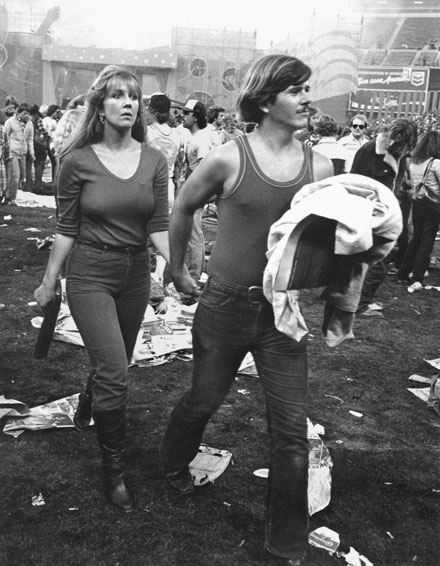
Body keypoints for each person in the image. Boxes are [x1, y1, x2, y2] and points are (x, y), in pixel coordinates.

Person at [160, 54, 333, 566]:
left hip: (283, 314)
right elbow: (183, 206)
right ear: (264, 100)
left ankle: (286, 543)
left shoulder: (319, 166)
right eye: (297, 90)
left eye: (308, 88)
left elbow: (320, 240)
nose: (308, 99)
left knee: (291, 431)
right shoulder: (228, 159)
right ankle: (172, 466)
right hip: (226, 304)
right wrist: (178, 270)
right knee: (203, 400)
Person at [34, 65, 172, 512]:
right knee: (116, 370)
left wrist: (175, 266)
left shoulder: (154, 160)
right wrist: (49, 280)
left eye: (134, 96)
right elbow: (66, 227)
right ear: (100, 105)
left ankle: (90, 397)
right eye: (117, 95)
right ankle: (114, 470)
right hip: (91, 273)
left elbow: (159, 224)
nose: (128, 103)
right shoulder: (76, 162)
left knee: (117, 361)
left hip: (134, 276)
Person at [351, 118, 418, 316]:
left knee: (368, 260)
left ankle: (353, 299)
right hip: (370, 212)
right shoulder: (370, 150)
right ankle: (359, 304)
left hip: (385, 212)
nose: (399, 147)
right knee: (378, 261)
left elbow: (393, 182)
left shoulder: (399, 155)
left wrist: (404, 186)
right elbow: (355, 181)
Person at [397, 131, 440, 292]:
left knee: (416, 238)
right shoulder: (435, 163)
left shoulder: (413, 163)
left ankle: (403, 272)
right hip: (434, 206)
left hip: (418, 203)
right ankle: (417, 277)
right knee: (427, 241)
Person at [181, 98, 218, 280]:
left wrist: (202, 194)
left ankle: (195, 275)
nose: (182, 116)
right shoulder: (195, 136)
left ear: (195, 117)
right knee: (191, 232)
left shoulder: (202, 138)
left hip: (197, 190)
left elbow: (206, 169)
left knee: (194, 233)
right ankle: (194, 270)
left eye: (185, 113)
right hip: (191, 189)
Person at [4, 102, 34, 205]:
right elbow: (5, 136)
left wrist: (32, 152)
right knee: (15, 175)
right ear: (19, 112)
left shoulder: (30, 123)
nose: (27, 116)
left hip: (23, 152)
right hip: (12, 151)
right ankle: (11, 199)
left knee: (22, 176)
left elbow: (30, 139)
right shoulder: (10, 122)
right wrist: (6, 152)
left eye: (28, 113)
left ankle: (8, 195)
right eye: (25, 113)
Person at [29, 104, 51, 194]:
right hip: (39, 145)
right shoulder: (39, 120)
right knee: (39, 166)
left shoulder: (29, 120)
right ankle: (38, 185)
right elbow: (43, 131)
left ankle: (29, 186)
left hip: (30, 144)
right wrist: (49, 137)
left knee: (30, 166)